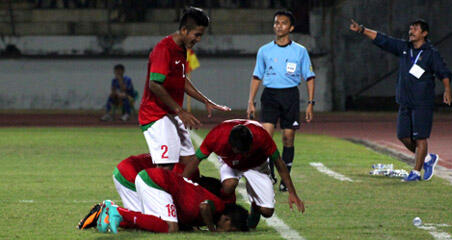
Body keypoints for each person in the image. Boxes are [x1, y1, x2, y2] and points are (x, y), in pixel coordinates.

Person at [349, 19, 452, 182]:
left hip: (422, 102)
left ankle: (416, 173)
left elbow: (444, 72)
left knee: (420, 138)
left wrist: (447, 89)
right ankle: (427, 160)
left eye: (415, 29)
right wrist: (362, 30)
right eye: (410, 28)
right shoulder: (405, 48)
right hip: (405, 101)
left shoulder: (431, 53)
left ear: (424, 34)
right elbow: (383, 39)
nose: (411, 31)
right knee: (403, 136)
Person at [138, 7, 230, 170]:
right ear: (184, 30)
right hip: (155, 115)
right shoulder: (164, 49)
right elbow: (154, 84)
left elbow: (181, 80)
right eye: (197, 34)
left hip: (170, 114)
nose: (199, 39)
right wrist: (180, 111)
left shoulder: (181, 49)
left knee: (189, 164)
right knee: (166, 166)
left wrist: (205, 101)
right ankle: (152, 194)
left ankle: (183, 195)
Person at [182, 119, 305, 229]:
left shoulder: (261, 135)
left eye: (248, 150)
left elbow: (279, 162)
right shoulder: (217, 136)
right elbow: (196, 159)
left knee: (267, 211)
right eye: (243, 151)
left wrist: (292, 192)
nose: (246, 154)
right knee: (229, 185)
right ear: (232, 146)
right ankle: (222, 211)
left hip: (256, 165)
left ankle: (255, 207)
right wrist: (181, 183)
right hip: (231, 163)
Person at [247, 10, 316, 191]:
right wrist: (251, 101)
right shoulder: (264, 50)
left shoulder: (300, 51)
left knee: (288, 138)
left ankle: (286, 178)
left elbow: (309, 77)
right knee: (267, 137)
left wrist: (310, 103)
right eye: (276, 23)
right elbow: (256, 76)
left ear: (291, 27)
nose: (279, 26)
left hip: (290, 96)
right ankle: (270, 175)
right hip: (269, 95)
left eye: (283, 23)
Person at [96, 168, 249, 233]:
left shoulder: (217, 210)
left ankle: (103, 216)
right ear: (227, 219)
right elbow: (204, 207)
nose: (228, 232)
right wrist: (212, 230)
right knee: (170, 228)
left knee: (151, 224)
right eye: (232, 229)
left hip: (155, 180)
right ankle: (117, 211)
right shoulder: (219, 205)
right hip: (158, 182)